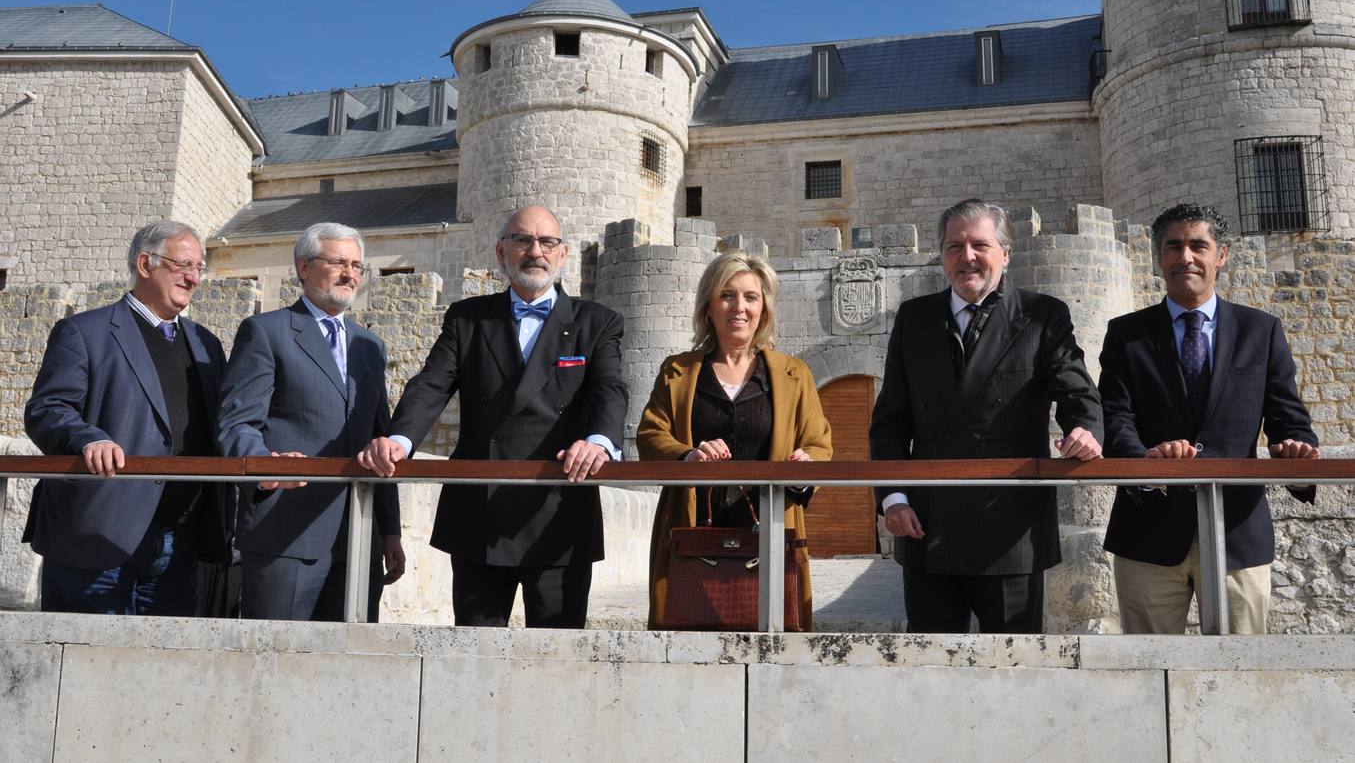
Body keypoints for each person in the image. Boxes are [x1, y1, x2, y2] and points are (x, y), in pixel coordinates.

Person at [357, 205, 627, 629]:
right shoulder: (467, 319)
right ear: (502, 251)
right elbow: (431, 385)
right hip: (478, 517)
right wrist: (400, 440)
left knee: (558, 662)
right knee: (473, 660)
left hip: (559, 516)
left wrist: (599, 442)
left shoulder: (597, 322)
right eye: (523, 240)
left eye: (547, 242)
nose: (535, 251)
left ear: (563, 254)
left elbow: (610, 389)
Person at [871, 198, 1103, 633]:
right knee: (932, 671)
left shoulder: (1041, 315)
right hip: (926, 528)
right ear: (942, 256)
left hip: (1009, 531)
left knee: (1016, 673)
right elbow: (889, 422)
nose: (968, 257)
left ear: (1005, 253)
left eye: (980, 244)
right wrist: (893, 498)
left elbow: (1077, 392)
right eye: (954, 247)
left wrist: (1085, 430)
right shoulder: (913, 319)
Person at [1099, 203, 1319, 634]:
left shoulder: (1262, 330)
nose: (1186, 257)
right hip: (1148, 533)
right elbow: (1114, 418)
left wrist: (1296, 456)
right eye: (1174, 246)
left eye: (1199, 245)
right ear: (1158, 256)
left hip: (1237, 533)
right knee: (1149, 673)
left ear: (1221, 255)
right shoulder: (1127, 335)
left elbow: (1289, 419)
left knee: (1240, 674)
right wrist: (1145, 463)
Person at [23, 220, 232, 615]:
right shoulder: (84, 332)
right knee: (86, 664)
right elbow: (46, 409)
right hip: (99, 533)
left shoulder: (207, 344)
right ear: (144, 264)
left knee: (161, 668)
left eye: (199, 268)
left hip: (180, 543)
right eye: (183, 265)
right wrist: (88, 439)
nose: (193, 278)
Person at [217, 222, 404, 622]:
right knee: (272, 660)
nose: (350, 274)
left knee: (348, 667)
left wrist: (390, 530)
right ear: (304, 267)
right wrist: (265, 467)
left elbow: (379, 436)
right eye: (337, 262)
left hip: (358, 535)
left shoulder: (370, 347)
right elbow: (237, 423)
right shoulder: (266, 333)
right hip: (285, 532)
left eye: (356, 265)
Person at [638, 251, 831, 629]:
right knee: (686, 640)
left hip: (772, 536)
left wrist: (803, 468)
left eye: (751, 297)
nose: (738, 307)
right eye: (727, 295)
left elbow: (818, 443)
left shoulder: (796, 374)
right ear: (709, 306)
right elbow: (650, 434)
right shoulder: (676, 371)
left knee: (775, 642)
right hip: (693, 535)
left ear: (764, 310)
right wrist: (688, 455)